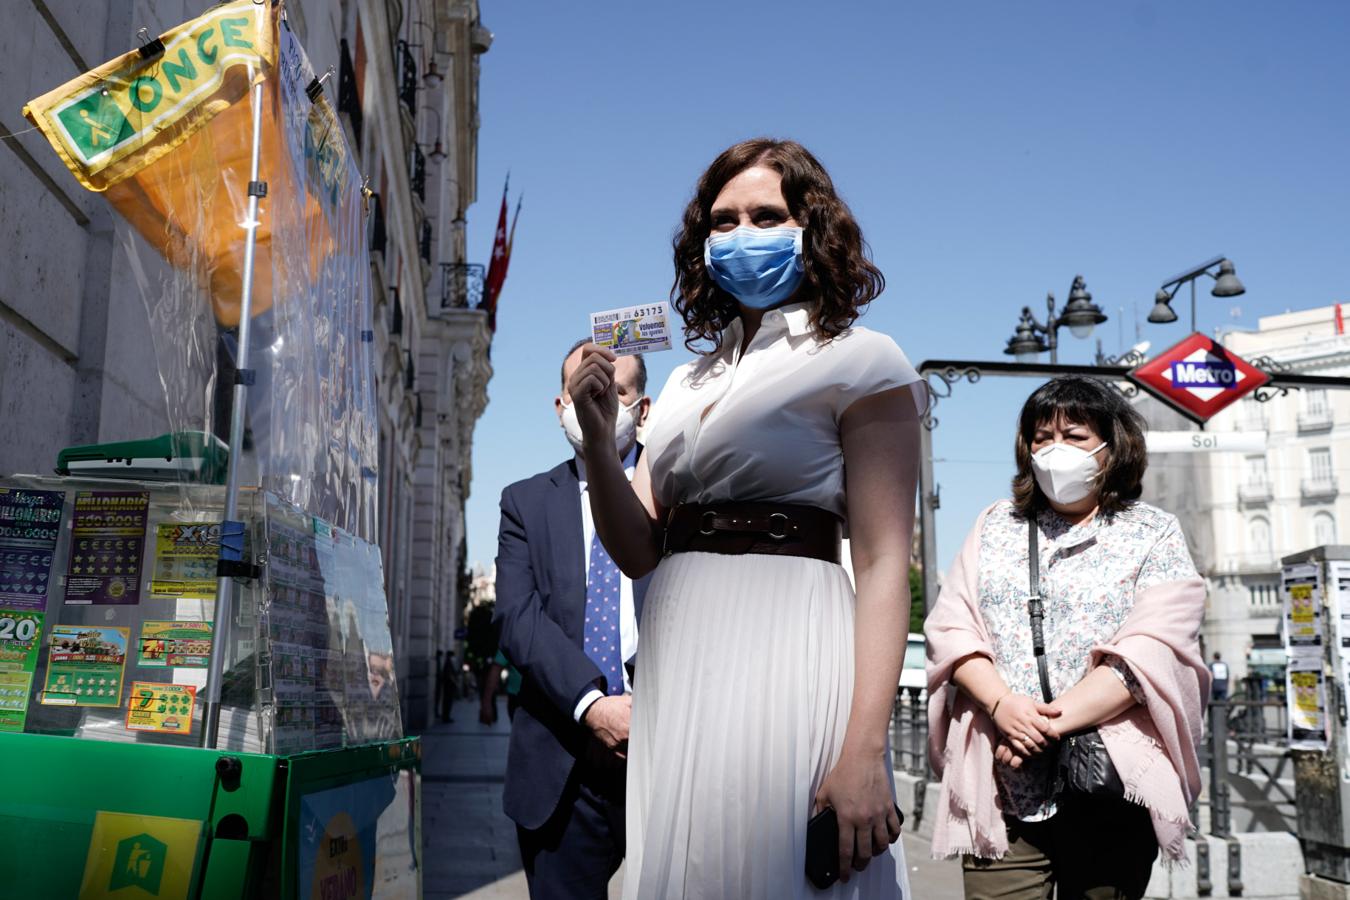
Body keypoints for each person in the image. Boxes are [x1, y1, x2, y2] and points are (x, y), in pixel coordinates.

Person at [569, 138, 919, 899]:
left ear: (814, 228)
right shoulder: (690, 381)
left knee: (784, 861)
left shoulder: (865, 359)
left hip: (795, 638)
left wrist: (865, 747)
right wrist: (600, 442)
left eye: (767, 215)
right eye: (722, 221)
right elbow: (637, 547)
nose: (741, 234)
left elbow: (889, 561)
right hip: (681, 647)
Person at [924, 376, 1210, 900]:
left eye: (1074, 436)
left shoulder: (1153, 533)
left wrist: (1039, 728)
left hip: (1109, 783)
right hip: (1004, 784)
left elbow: (1154, 647)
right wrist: (1002, 705)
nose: (1055, 450)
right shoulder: (995, 526)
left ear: (1112, 445)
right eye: (1041, 437)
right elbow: (951, 627)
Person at [493, 340, 654, 899]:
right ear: (560, 407)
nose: (596, 405)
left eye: (613, 391)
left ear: (643, 407)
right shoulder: (525, 503)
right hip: (562, 766)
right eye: (580, 392)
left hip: (669, 754)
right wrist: (593, 705)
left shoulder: (682, 493)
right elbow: (517, 616)